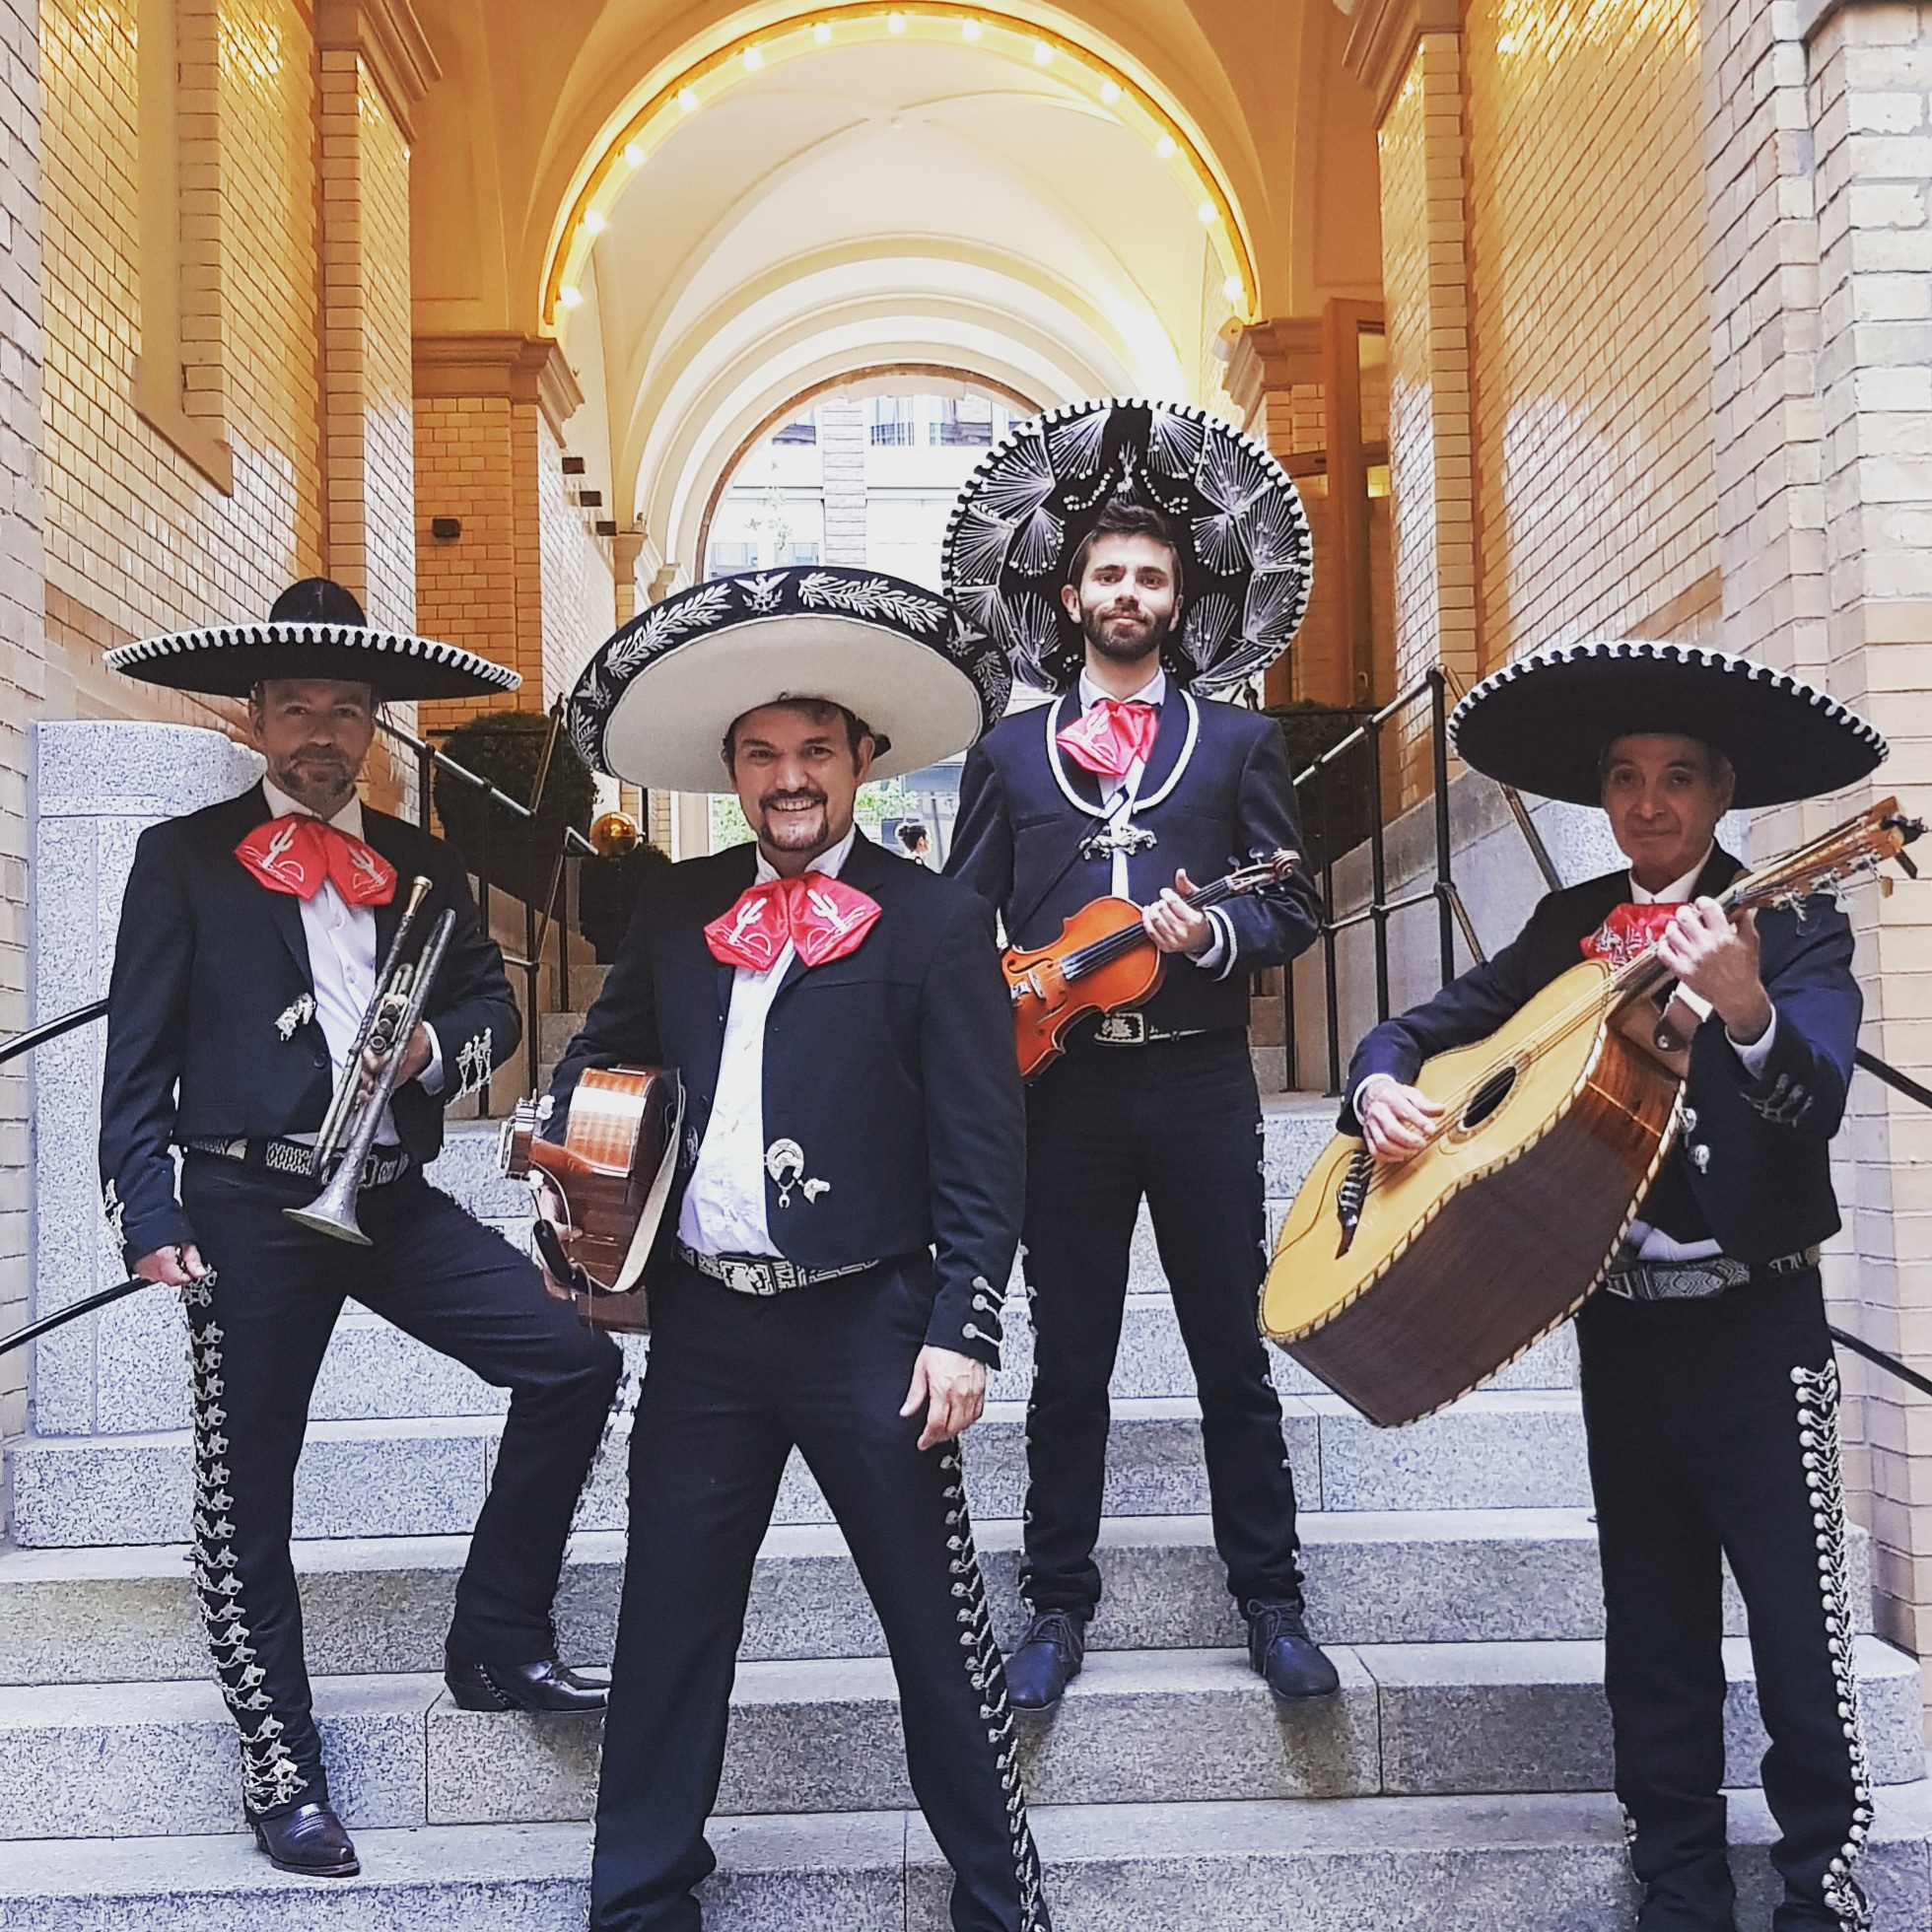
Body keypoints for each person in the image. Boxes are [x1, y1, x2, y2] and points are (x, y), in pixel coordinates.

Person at [1346, 640, 1886, 1932]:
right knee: (1650, 1633)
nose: (1650, 804)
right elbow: (1419, 1030)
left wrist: (1747, 1011)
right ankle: (1677, 1889)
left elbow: (1814, 1104)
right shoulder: (1566, 928)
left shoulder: (1794, 920)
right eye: (1627, 778)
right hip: (1623, 1333)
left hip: (1758, 1328)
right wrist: (1375, 1086)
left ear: (1721, 793)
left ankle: (1820, 1890)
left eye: (1678, 777)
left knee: (1801, 1631)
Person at [546, 566, 1049, 1932]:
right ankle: (641, 1901)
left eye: (814, 750)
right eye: (762, 754)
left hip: (870, 1323)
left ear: (861, 760)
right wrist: (576, 1156)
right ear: (732, 772)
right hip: (707, 1328)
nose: (789, 778)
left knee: (936, 1629)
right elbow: (602, 1057)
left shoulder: (940, 919)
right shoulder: (675, 907)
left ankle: (1001, 1904)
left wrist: (964, 1326)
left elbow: (982, 1148)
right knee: (668, 1622)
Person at [98, 580, 624, 1879]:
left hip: (384, 1196)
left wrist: (433, 1051)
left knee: (574, 1360)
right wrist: (147, 1212)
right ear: (255, 718)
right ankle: (281, 1768)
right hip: (246, 1204)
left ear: (375, 724)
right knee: (247, 1491)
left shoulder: (425, 863)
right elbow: (133, 1063)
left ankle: (496, 1636)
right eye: (296, 708)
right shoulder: (182, 859)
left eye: (345, 709)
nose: (321, 733)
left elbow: (497, 1012)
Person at [941, 399, 1334, 1710]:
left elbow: (1294, 904)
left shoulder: (1240, 743)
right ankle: (1056, 1604)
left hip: (1200, 1076)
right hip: (1065, 1090)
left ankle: (1271, 1601)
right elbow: (962, 919)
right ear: (1072, 598)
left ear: (1177, 600)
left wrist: (1215, 933)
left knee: (1233, 1347)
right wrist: (992, 1007)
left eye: (1150, 577)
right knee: (1072, 1360)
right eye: (1107, 574)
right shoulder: (1008, 753)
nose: (1128, 593)